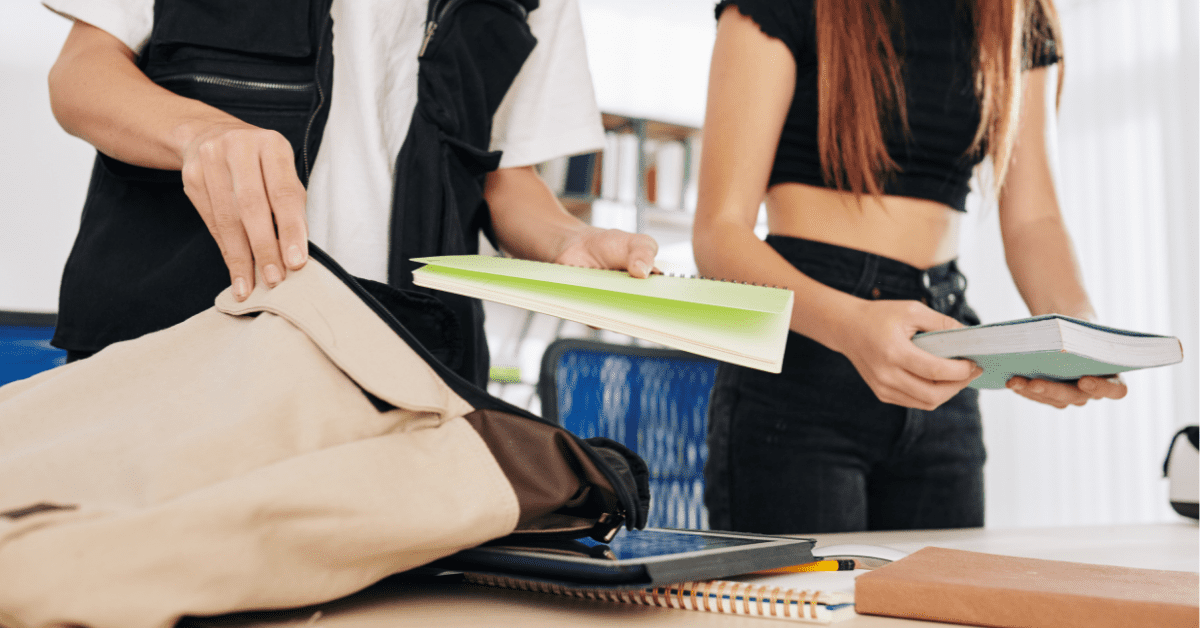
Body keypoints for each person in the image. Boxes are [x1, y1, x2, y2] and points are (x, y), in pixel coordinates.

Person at [43, 0, 656, 386]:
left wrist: (571, 239)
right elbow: (82, 74)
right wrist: (198, 133)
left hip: (408, 377)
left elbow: (506, 180)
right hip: (174, 355)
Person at [694, 0, 1128, 534]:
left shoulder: (1018, 12)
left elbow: (1034, 221)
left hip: (944, 356)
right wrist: (850, 327)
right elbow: (719, 236)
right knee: (802, 614)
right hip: (804, 352)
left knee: (941, 610)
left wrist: (1078, 336)